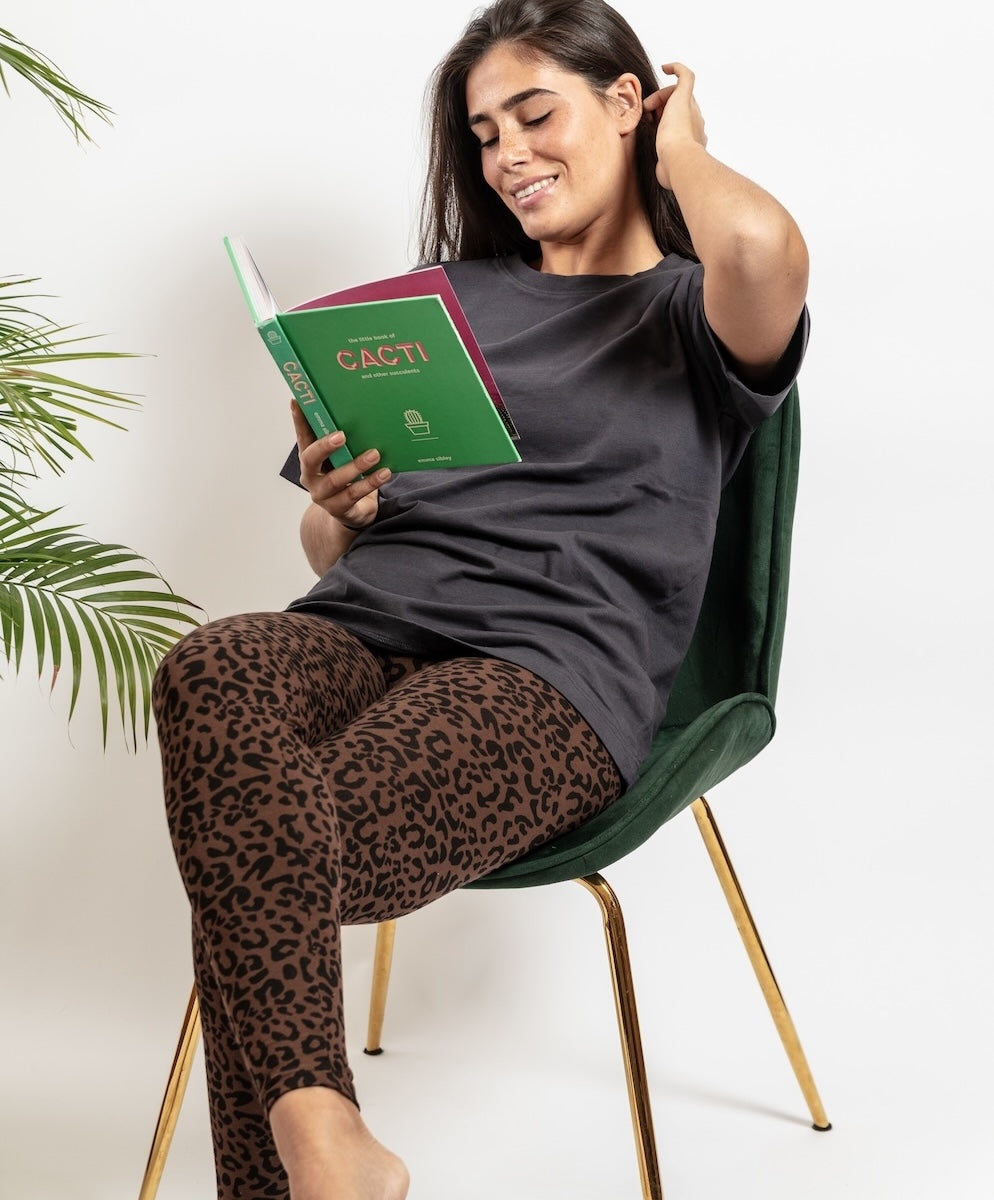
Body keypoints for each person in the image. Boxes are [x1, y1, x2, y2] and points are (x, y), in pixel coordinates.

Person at [151, 1, 809, 1197]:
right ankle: (325, 1139)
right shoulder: (429, 304)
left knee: (271, 847)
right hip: (363, 630)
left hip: (545, 679)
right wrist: (337, 507)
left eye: (536, 114)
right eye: (485, 131)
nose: (507, 155)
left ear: (625, 104)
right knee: (210, 666)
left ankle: (304, 1157)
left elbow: (763, 249)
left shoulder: (691, 311)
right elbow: (331, 554)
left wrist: (680, 147)